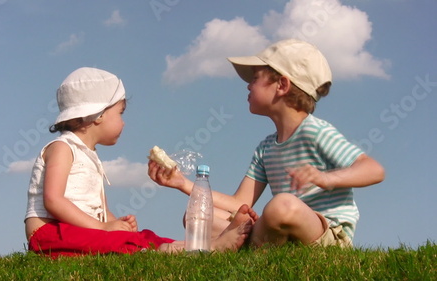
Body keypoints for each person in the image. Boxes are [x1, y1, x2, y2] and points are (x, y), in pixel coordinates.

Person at [148, 39, 385, 248]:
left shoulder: (316, 131)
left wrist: (326, 178)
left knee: (282, 206)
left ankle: (223, 244)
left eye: (256, 78)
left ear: (282, 85)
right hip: (281, 231)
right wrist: (183, 184)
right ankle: (234, 242)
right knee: (197, 214)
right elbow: (239, 203)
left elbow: (373, 169)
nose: (248, 85)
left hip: (326, 235)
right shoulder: (266, 147)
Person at [24, 67, 257, 258]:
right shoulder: (62, 148)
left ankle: (202, 244)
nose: (124, 123)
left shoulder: (89, 155)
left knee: (141, 236)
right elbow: (53, 200)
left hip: (78, 231)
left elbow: (97, 209)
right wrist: (104, 229)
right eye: (120, 113)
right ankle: (197, 249)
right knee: (123, 244)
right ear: (98, 114)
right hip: (49, 233)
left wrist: (115, 222)